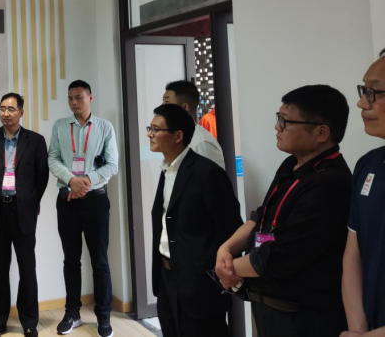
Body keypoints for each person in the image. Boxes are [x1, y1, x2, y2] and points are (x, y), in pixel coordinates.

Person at [216, 85, 352, 337]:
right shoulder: (291, 164)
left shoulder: (329, 184)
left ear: (322, 132)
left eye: (286, 122)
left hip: (302, 319)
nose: (277, 127)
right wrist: (225, 249)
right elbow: (261, 217)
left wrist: (227, 269)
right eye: (279, 118)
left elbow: (278, 256)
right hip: (268, 307)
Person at [149, 103, 242, 337]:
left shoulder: (207, 173)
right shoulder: (167, 170)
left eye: (156, 129)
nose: (150, 134)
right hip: (167, 278)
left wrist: (227, 275)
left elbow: (231, 229)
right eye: (150, 128)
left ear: (178, 136)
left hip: (200, 284)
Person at [48, 80, 119, 337]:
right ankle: (72, 313)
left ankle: (103, 316)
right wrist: (71, 180)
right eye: (70, 98)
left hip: (95, 200)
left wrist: (85, 180)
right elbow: (53, 158)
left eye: (78, 97)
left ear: (90, 98)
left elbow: (112, 165)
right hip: (68, 200)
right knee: (71, 260)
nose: (74, 102)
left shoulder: (105, 127)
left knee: (100, 261)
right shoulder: (60, 126)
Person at [0, 93, 49, 337]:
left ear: (21, 112)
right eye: (2, 108)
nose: (6, 113)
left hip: (23, 212)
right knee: (0, 269)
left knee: (27, 268)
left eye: (11, 109)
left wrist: (29, 200)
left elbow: (42, 177)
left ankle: (29, 321)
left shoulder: (36, 140)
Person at [341, 51, 385, 337]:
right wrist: (358, 330)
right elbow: (353, 255)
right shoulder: (368, 165)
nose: (361, 103)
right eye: (363, 90)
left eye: (373, 93)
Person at [162, 80, 224, 169]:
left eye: (167, 102)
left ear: (184, 107)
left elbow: (213, 176)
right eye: (163, 101)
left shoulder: (201, 142)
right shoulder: (176, 139)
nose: (162, 107)